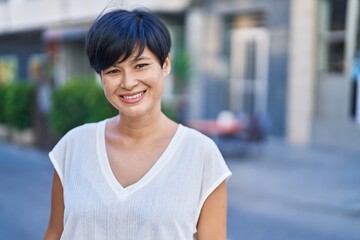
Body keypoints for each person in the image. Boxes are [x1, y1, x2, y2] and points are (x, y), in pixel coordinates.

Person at [44, 8, 232, 240]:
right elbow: (54, 233)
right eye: (113, 70)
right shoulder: (73, 146)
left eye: (140, 65)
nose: (128, 82)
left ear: (165, 64)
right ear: (101, 77)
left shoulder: (201, 155)